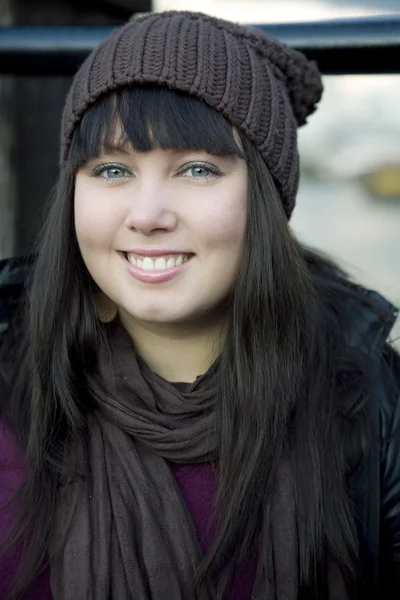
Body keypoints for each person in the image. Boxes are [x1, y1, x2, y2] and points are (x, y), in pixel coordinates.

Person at [0, 9, 399, 600]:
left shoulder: (367, 406)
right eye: (112, 169)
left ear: (263, 197)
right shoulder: (9, 385)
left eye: (196, 168)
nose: (148, 214)